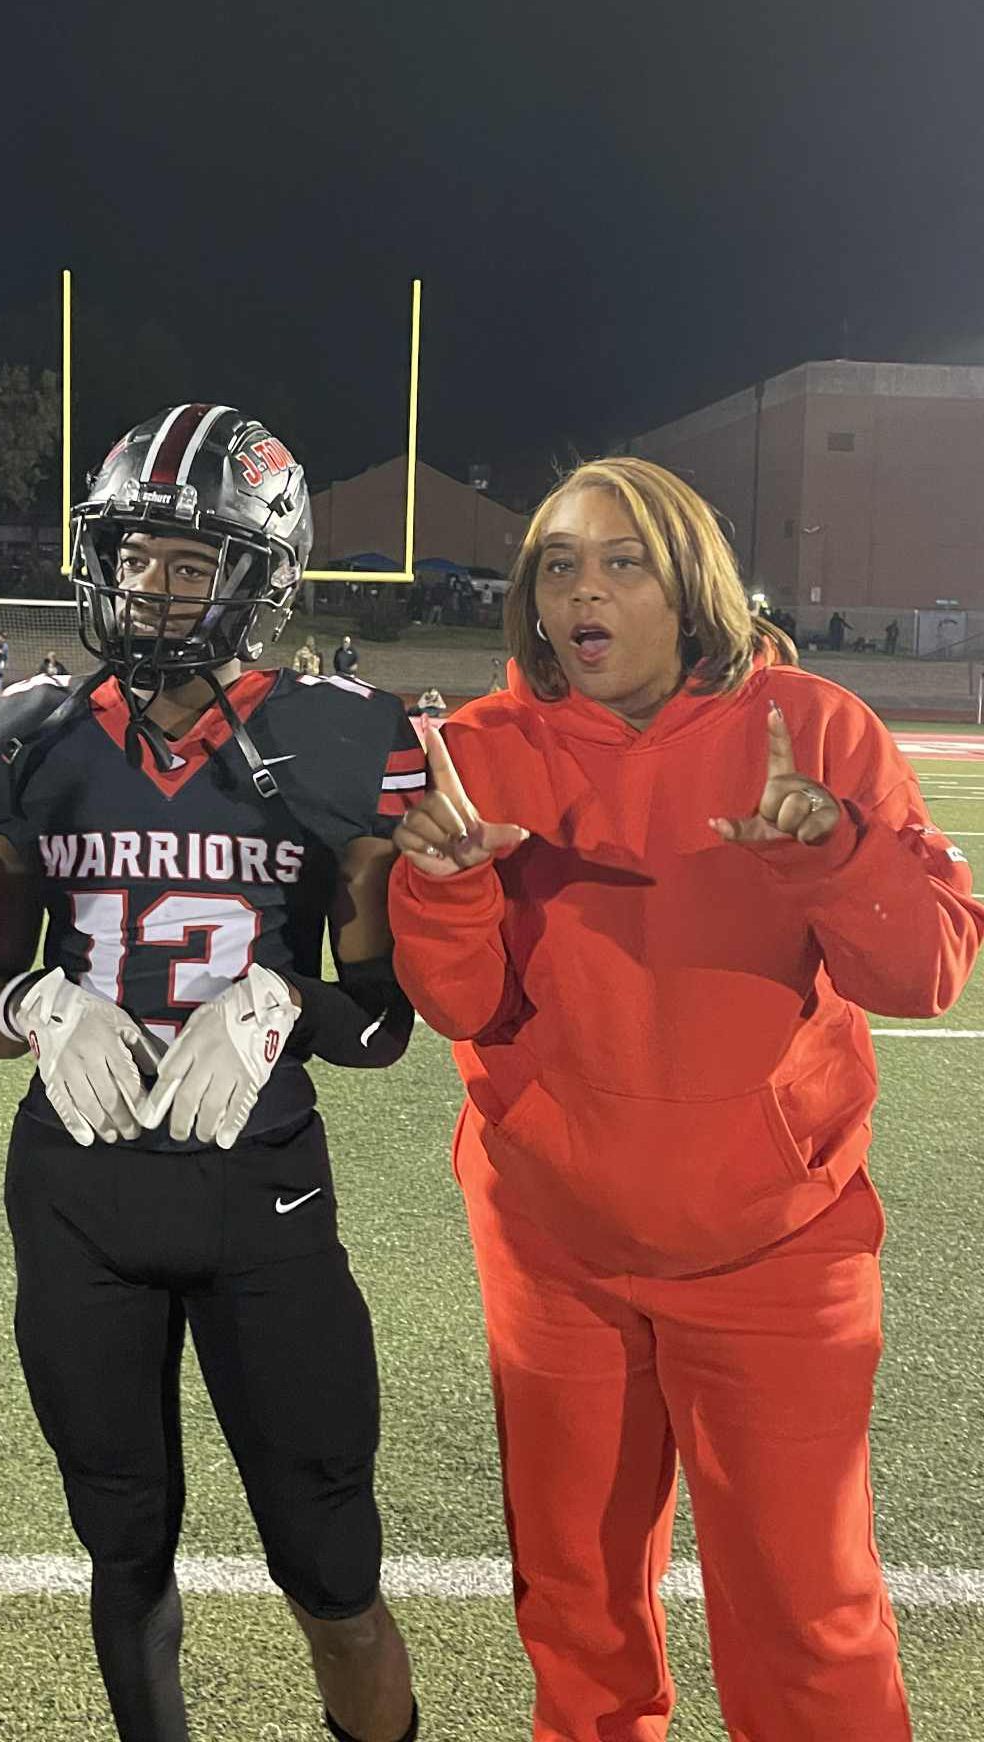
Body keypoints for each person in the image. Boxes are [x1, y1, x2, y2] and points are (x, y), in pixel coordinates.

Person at [388, 454, 983, 1742]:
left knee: (808, 1615)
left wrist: (831, 850)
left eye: (623, 561)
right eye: (558, 564)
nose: (582, 592)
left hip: (778, 1248)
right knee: (577, 1609)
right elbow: (461, 1000)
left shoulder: (815, 728)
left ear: (691, 580)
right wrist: (441, 883)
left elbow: (927, 969)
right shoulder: (479, 750)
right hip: (555, 1251)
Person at [0, 406, 423, 1742]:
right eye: (133, 554)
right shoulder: (27, 736)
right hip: (76, 1196)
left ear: (261, 576)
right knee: (125, 1548)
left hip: (262, 1197)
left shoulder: (344, 737)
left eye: (190, 560)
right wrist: (38, 1002)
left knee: (332, 1562)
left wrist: (286, 999)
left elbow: (383, 1024)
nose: (151, 586)